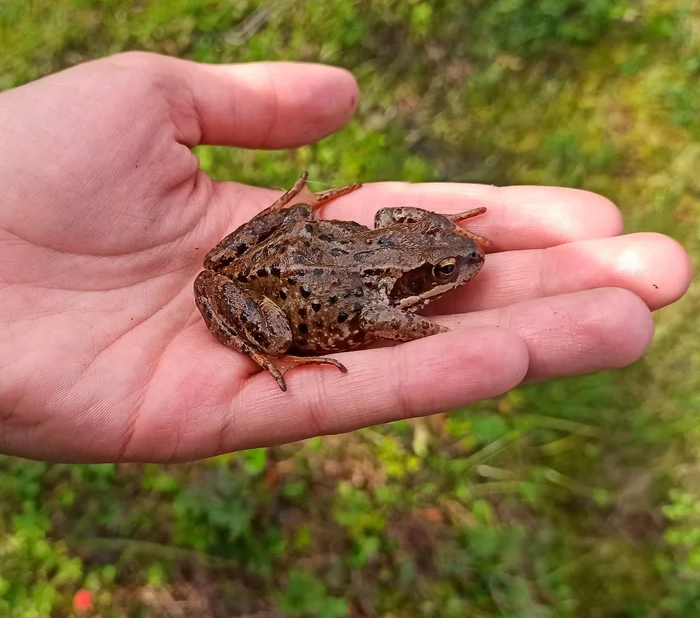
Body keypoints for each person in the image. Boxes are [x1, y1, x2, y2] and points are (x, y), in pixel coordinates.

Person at [0, 52, 691, 463]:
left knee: (298, 214)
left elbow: (394, 218)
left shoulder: (398, 232)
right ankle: (270, 347)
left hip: (300, 250)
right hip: (278, 295)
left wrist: (438, 226)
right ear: (416, 275)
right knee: (271, 328)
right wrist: (430, 326)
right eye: (443, 269)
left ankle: (284, 236)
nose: (460, 266)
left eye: (448, 259)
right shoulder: (388, 295)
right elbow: (378, 310)